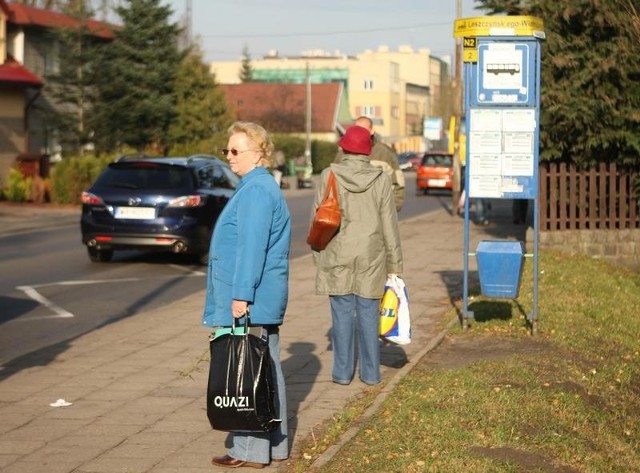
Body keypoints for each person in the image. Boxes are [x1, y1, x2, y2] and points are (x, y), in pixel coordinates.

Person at [202, 121, 291, 469]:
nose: (229, 156)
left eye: (236, 150)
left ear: (258, 153)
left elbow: (251, 248)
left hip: (251, 297)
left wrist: (241, 295)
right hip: (260, 294)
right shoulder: (258, 186)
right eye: (227, 150)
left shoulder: (255, 190)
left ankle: (250, 450)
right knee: (265, 369)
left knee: (247, 372)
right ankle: (275, 446)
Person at [313, 125, 403, 386]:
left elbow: (316, 219)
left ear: (343, 147)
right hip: (371, 257)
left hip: (337, 253)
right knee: (368, 314)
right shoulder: (380, 179)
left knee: (341, 315)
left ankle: (342, 374)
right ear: (368, 149)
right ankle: (371, 373)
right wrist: (395, 266)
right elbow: (390, 226)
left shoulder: (328, 175)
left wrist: (319, 259)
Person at [335, 116, 406, 211]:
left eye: (363, 129)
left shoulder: (384, 153)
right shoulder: (342, 154)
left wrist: (390, 209)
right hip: (347, 213)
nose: (360, 133)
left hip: (377, 213)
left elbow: (398, 183)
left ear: (372, 131)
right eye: (357, 130)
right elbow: (332, 184)